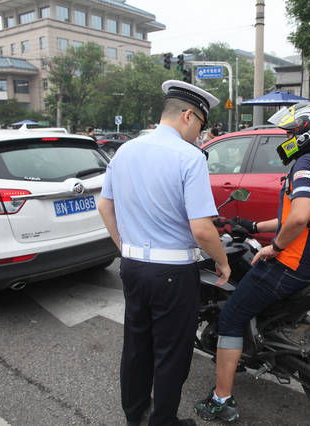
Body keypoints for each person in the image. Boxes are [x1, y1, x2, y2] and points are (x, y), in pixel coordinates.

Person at [98, 80, 231, 426]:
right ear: (188, 116)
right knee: (171, 353)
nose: (200, 135)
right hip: (172, 274)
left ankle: (135, 415)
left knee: (137, 345)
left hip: (132, 267)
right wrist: (221, 260)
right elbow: (202, 229)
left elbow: (104, 205)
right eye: (201, 125)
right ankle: (162, 422)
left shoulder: (125, 150)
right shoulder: (189, 158)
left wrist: (122, 245)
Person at [194, 102, 310, 423]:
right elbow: (299, 215)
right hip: (309, 260)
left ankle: (221, 401)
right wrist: (254, 227)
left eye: (291, 132)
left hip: (289, 263)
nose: (285, 138)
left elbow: (299, 218)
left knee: (231, 315)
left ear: (306, 132)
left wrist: (274, 247)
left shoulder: (306, 164)